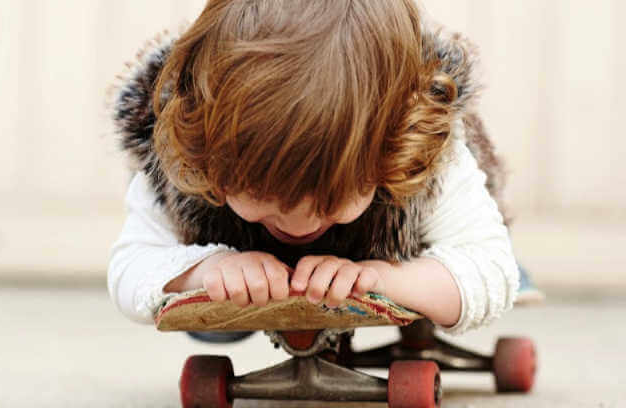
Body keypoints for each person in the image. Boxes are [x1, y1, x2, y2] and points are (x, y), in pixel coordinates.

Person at [106, 0, 529, 342]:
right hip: (231, 247)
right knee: (218, 332)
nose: (299, 223)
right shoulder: (183, 141)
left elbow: (490, 268)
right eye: (262, 196)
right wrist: (204, 269)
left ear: (391, 149)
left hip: (395, 249)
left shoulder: (419, 146)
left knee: (457, 280)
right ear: (209, 152)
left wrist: (384, 278)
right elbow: (130, 267)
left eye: (331, 200)